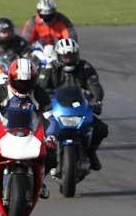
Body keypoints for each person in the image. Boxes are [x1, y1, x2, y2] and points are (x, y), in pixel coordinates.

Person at [0, 58, 58, 199]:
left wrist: (51, 136)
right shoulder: (0, 92)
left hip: (31, 131)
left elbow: (50, 119)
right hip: (3, 130)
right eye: (20, 82)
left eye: (27, 82)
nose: (23, 85)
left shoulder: (39, 94)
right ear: (11, 78)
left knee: (51, 154)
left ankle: (40, 180)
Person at [38, 38, 108, 172]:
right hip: (55, 110)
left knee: (101, 128)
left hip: (79, 108)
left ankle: (91, 152)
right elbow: (41, 88)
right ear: (58, 55)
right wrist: (43, 103)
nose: (68, 59)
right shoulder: (50, 68)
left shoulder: (85, 67)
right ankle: (42, 159)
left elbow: (95, 86)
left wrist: (97, 101)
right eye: (65, 56)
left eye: (71, 56)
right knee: (38, 129)